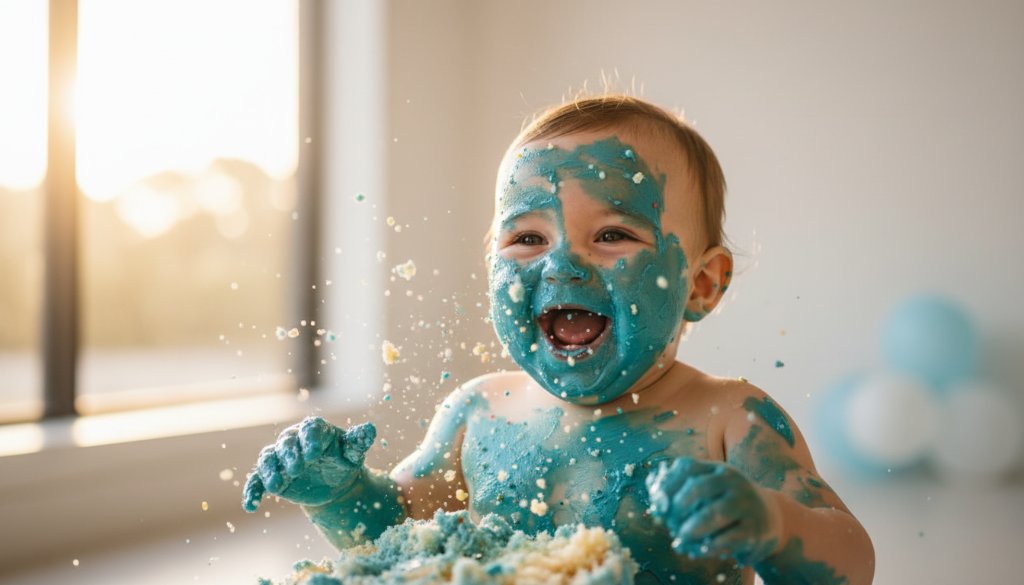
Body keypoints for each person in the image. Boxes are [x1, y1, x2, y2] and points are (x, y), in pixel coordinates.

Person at [242, 94, 875, 584]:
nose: (562, 266)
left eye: (612, 236)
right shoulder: (478, 412)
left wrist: (770, 523)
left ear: (701, 284)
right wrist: (340, 493)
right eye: (527, 238)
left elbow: (850, 558)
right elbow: (392, 538)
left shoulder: (730, 420)